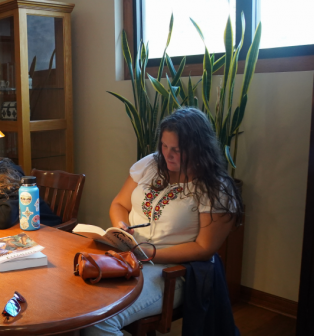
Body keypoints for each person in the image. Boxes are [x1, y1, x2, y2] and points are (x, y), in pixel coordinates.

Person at [83, 107, 243, 336]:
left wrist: (149, 253)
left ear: (199, 149)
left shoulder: (215, 188)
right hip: (129, 258)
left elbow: (204, 248)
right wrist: (121, 228)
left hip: (170, 271)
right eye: (164, 146)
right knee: (80, 305)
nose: (167, 155)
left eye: (176, 150)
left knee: (98, 321)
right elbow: (119, 204)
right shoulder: (150, 165)